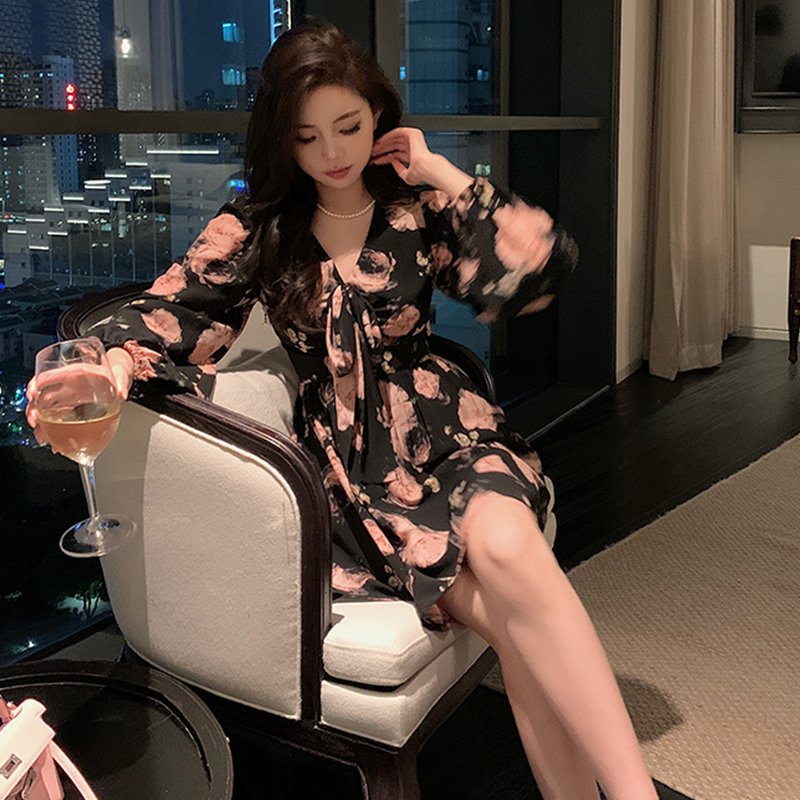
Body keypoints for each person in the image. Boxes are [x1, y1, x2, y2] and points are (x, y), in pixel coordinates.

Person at [28, 21, 657, 800]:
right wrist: (104, 365)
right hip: (352, 472)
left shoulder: (414, 206)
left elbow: (539, 271)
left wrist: (439, 168)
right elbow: (164, 314)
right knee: (514, 622)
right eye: (308, 136)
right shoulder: (257, 229)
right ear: (282, 140)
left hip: (448, 429)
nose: (332, 151)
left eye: (350, 126)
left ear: (378, 115)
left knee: (512, 551)